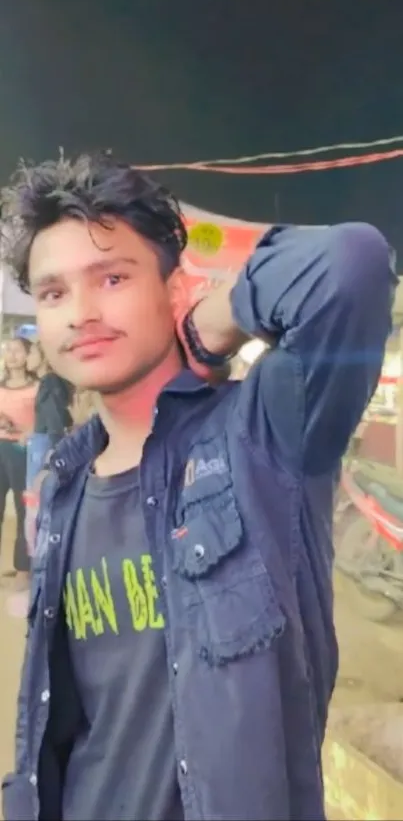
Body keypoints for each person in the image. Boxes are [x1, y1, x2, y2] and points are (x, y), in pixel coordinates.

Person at [1, 153, 395, 821]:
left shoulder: (265, 434)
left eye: (113, 276)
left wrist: (208, 324)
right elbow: (57, 719)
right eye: (54, 292)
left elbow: (349, 265)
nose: (81, 313)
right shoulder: (65, 480)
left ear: (172, 287)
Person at [23, 341, 74, 554]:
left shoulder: (50, 382)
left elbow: (55, 423)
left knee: (36, 509)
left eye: (32, 352)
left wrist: (50, 457)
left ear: (43, 356)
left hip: (44, 449)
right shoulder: (53, 382)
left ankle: (39, 563)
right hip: (42, 444)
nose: (28, 357)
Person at [0, 336, 37, 588]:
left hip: (22, 452)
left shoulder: (39, 387)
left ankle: (23, 569)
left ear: (27, 355)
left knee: (24, 510)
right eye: (7, 350)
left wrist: (28, 433)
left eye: (17, 350)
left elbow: (46, 421)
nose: (11, 354)